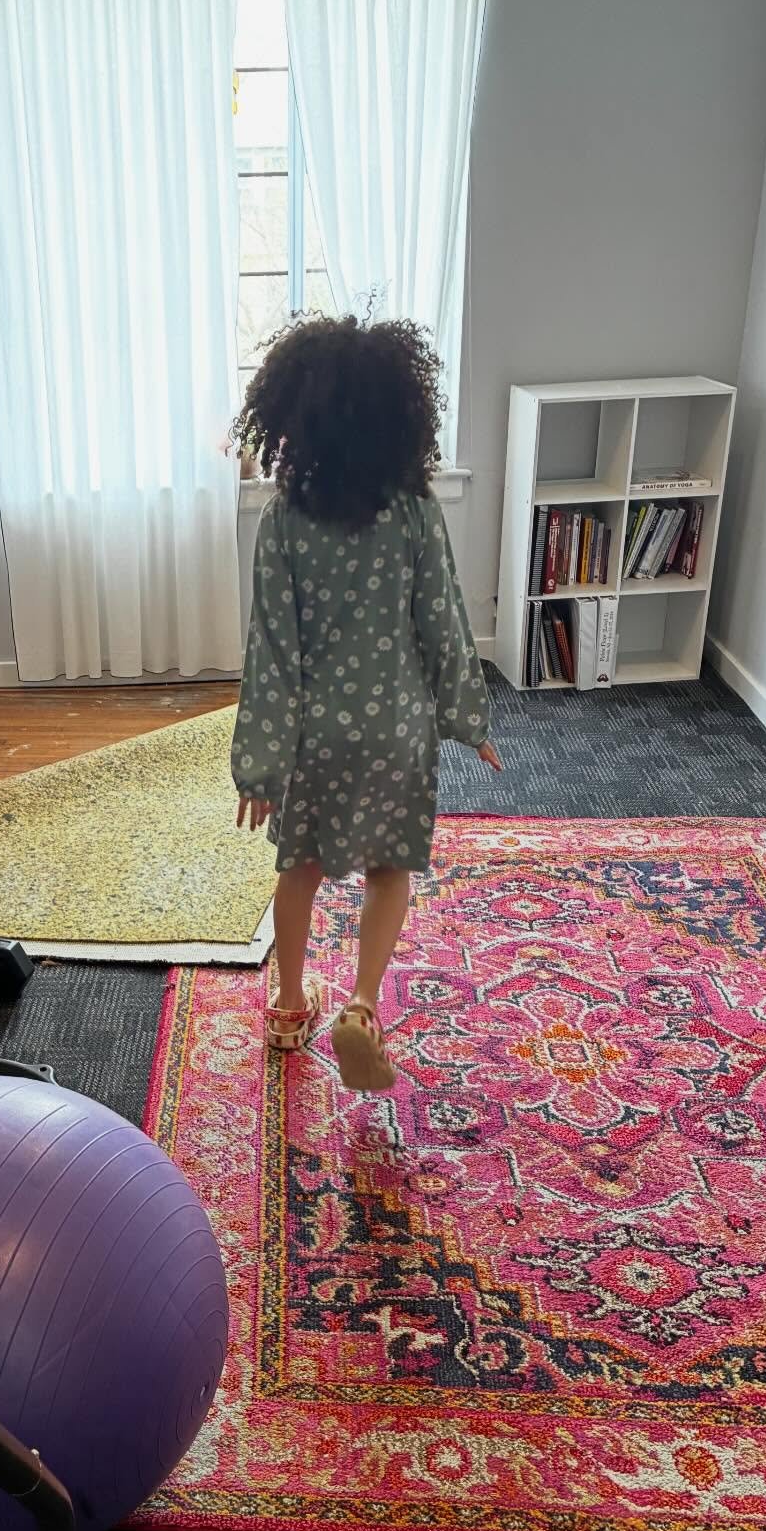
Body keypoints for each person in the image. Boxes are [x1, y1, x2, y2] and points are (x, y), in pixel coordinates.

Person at [230, 314, 502, 1092]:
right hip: (397, 729)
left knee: (301, 868)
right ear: (397, 417)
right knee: (390, 870)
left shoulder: (283, 521)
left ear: (294, 420)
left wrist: (260, 765)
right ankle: (361, 1004)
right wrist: (470, 720)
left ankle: (290, 1005)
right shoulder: (415, 511)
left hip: (317, 735)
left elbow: (271, 651)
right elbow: (444, 621)